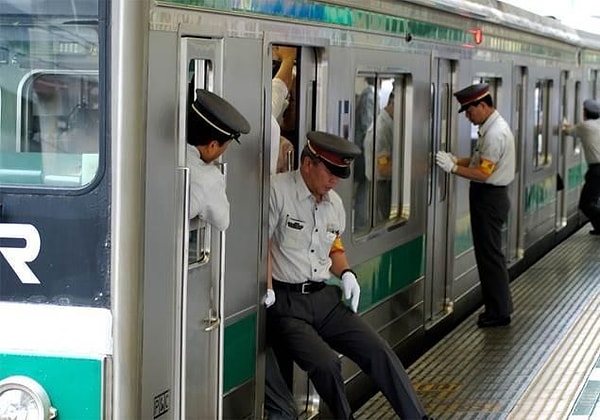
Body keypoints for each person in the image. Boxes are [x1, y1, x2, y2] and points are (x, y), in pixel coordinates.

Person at [265, 131, 429, 420]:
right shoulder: (278, 192)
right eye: (330, 172)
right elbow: (261, 246)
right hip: (288, 306)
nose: (334, 181)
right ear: (307, 163)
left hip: (324, 299)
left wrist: (347, 273)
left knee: (378, 351)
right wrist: (267, 288)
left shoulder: (334, 204)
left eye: (340, 174)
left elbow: (334, 247)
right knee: (327, 364)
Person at [436, 83, 515, 328]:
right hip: (489, 198)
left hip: (489, 199)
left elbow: (482, 173)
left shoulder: (494, 134)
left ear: (482, 105)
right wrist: (454, 158)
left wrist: (453, 168)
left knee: (490, 256)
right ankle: (496, 307)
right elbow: (477, 160)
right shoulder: (489, 128)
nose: (468, 117)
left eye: (469, 111)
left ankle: (499, 312)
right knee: (488, 255)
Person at [186, 88, 250, 229]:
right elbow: (222, 222)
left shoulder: (159, 152)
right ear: (212, 146)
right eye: (225, 146)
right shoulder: (208, 178)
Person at [562, 99, 600, 235]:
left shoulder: (585, 126)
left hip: (597, 170)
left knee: (586, 204)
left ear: (585, 113)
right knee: (593, 201)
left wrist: (563, 123)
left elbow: (567, 131)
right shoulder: (596, 124)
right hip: (596, 170)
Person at [364, 91, 394, 223]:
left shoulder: (389, 123)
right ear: (393, 103)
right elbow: (383, 168)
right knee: (384, 223)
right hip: (382, 185)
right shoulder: (381, 129)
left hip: (384, 184)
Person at [353, 77, 375, 230]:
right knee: (363, 188)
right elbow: (368, 125)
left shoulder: (368, 94)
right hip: (363, 152)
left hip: (361, 151)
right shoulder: (369, 95)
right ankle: (360, 224)